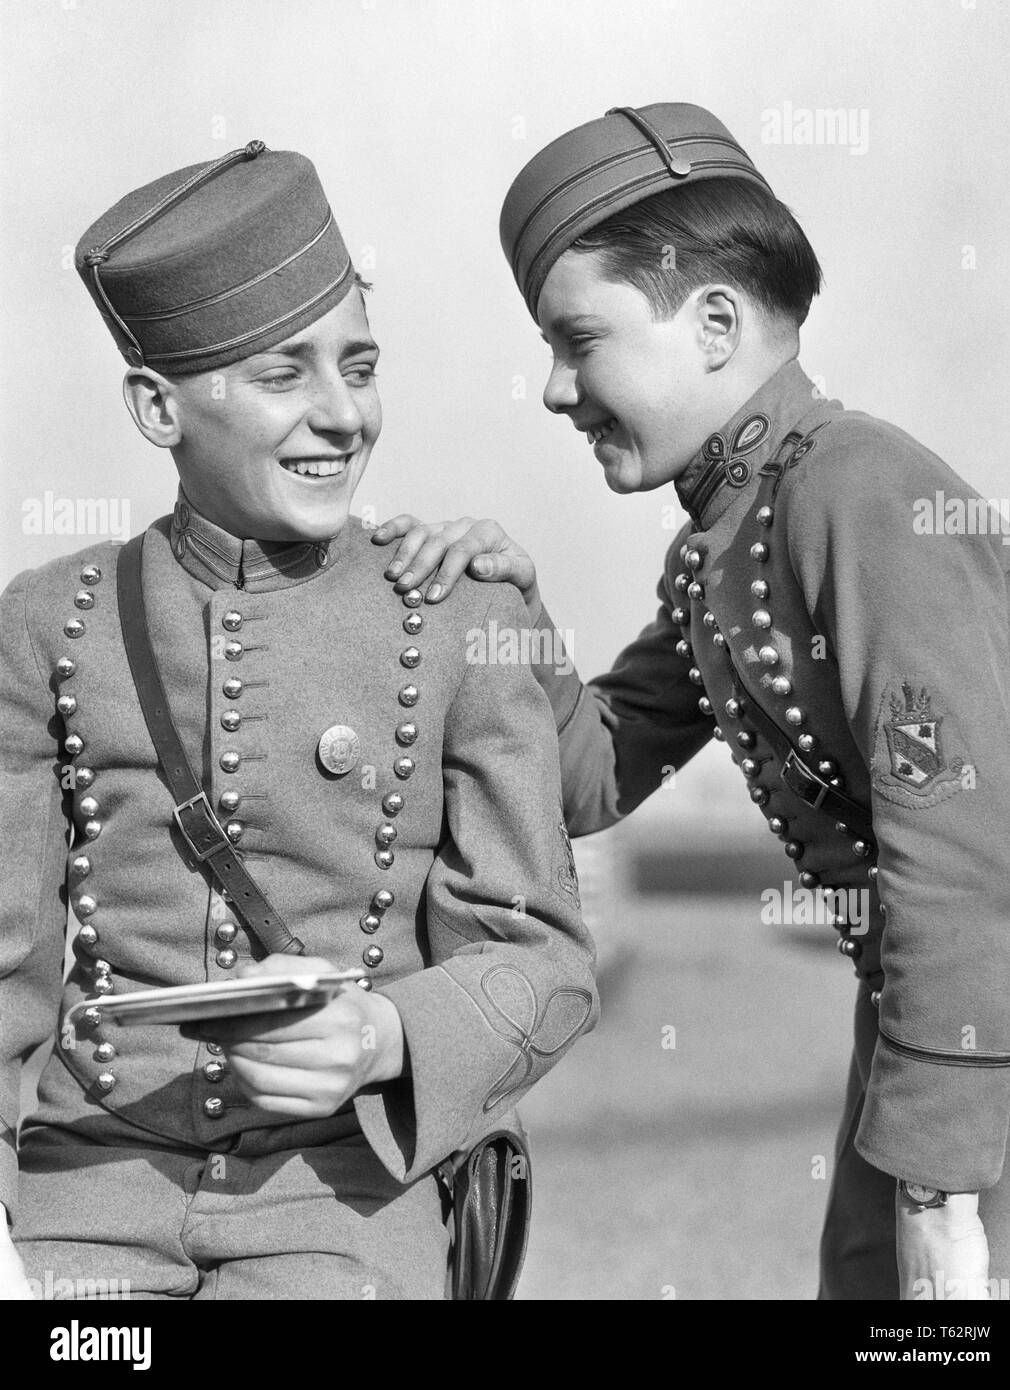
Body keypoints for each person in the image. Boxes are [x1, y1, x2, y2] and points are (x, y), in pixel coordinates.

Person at [373, 102, 1010, 1301]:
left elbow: (965, 860)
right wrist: (510, 601)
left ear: (716, 324)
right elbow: (591, 774)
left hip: (996, 1022)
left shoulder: (857, 491)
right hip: (938, 1023)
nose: (553, 390)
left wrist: (939, 1192)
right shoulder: (720, 544)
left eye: (579, 342)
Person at [0, 140, 597, 1301]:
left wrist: (383, 1038)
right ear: (156, 407)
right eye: (284, 375)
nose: (341, 415)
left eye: (360, 366)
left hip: (342, 1202)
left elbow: (546, 957)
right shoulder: (45, 626)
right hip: (87, 1186)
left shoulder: (456, 609)